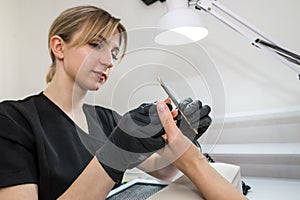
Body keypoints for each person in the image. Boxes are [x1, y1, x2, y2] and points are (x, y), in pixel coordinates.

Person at [0, 5, 246, 200]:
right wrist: (114, 155)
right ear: (59, 47)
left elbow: (164, 170)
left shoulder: (106, 119)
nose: (109, 61)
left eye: (114, 54)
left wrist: (181, 138)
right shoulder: (12, 120)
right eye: (96, 45)